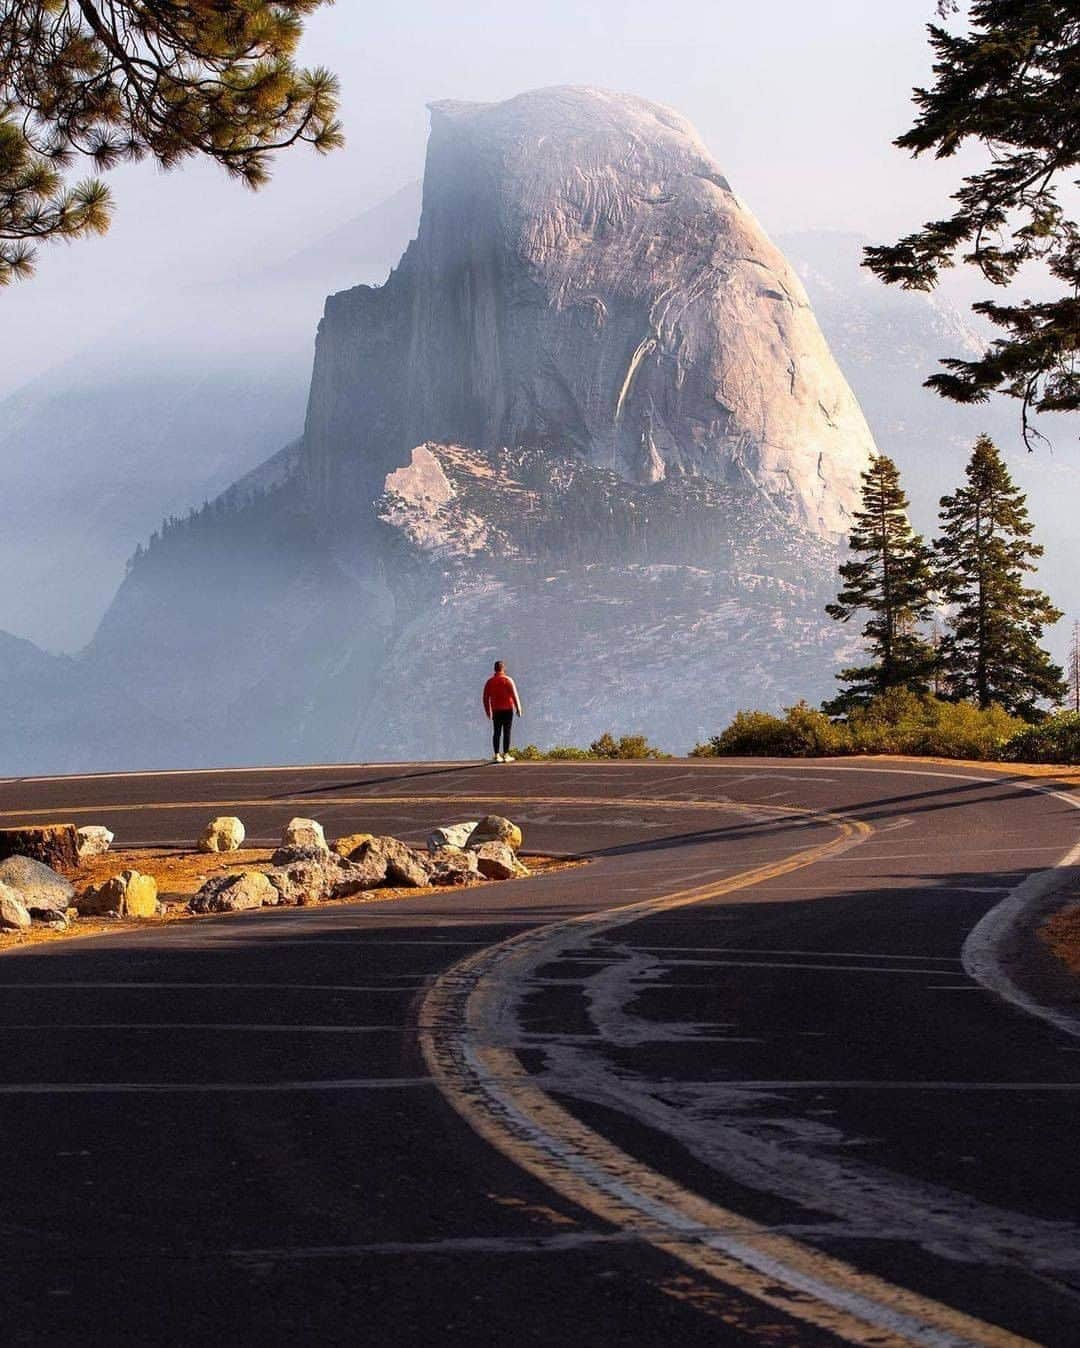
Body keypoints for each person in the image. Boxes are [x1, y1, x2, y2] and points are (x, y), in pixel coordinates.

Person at [483, 660, 523, 762]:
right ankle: (506, 754)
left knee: (496, 732)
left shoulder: (490, 682)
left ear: (494, 669)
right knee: (507, 732)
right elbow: (514, 695)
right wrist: (518, 708)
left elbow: (485, 697)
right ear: (503, 668)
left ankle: (497, 755)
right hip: (507, 710)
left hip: (496, 710)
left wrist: (488, 711)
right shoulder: (508, 680)